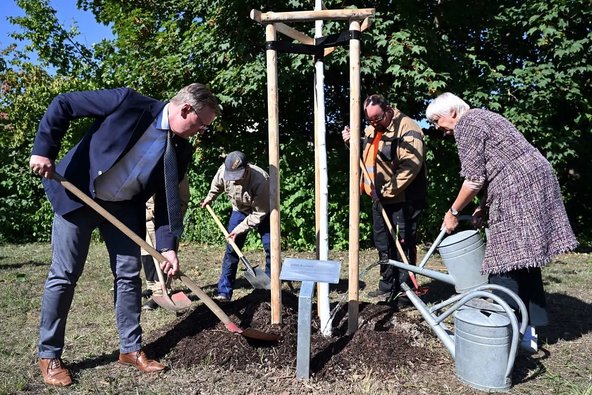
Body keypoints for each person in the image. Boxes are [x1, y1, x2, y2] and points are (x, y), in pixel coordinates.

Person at [29, 83, 220, 386]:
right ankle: (49, 354)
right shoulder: (129, 103)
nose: (202, 131)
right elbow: (63, 104)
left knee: (129, 275)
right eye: (202, 124)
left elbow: (167, 200)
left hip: (123, 209)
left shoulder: (180, 149)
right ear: (186, 110)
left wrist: (168, 247)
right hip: (79, 194)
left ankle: (130, 349)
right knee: (65, 274)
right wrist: (43, 150)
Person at [426, 92, 578, 352]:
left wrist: (452, 212)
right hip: (533, 178)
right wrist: (483, 208)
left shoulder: (467, 124)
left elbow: (474, 180)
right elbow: (494, 169)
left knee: (503, 262)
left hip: (518, 187)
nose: (439, 129)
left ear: (451, 112)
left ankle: (506, 332)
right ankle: (529, 331)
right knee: (524, 258)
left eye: (437, 121)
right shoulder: (485, 116)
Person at [342, 94, 427, 300]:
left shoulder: (408, 128)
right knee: (382, 242)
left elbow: (410, 166)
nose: (373, 123)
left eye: (377, 119)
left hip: (403, 196)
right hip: (378, 196)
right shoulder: (373, 128)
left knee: (404, 242)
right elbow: (367, 155)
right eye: (369, 120)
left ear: (388, 110)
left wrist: (387, 190)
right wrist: (352, 142)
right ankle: (388, 284)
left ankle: (406, 290)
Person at [200, 151, 271, 302]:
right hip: (240, 210)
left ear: (247, 170)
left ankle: (270, 288)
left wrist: (239, 229)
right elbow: (216, 186)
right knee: (231, 249)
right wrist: (209, 198)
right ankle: (224, 292)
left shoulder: (261, 180)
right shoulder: (223, 171)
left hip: (263, 211)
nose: (234, 180)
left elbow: (259, 214)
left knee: (271, 246)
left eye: (237, 176)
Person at [141, 175, 190, 310]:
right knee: (146, 251)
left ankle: (161, 291)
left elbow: (178, 200)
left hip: (165, 220)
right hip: (147, 216)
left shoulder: (175, 171)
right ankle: (151, 287)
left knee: (163, 255)